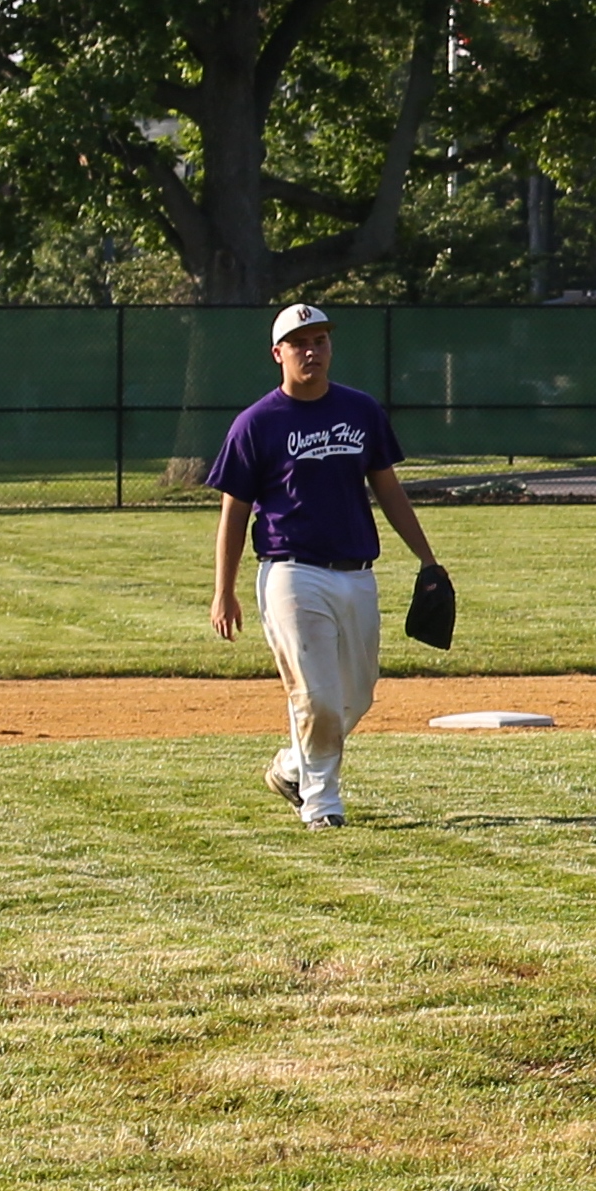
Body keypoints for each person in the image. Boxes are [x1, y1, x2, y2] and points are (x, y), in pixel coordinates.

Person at [206, 303, 443, 827]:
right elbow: (234, 512)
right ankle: (321, 805)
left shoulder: (361, 411)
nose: (311, 350)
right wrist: (224, 589)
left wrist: (427, 558)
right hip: (291, 572)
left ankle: (291, 767)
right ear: (278, 354)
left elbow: (387, 489)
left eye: (320, 340)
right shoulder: (256, 424)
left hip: (357, 571)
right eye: (299, 342)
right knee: (315, 694)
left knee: (356, 695)